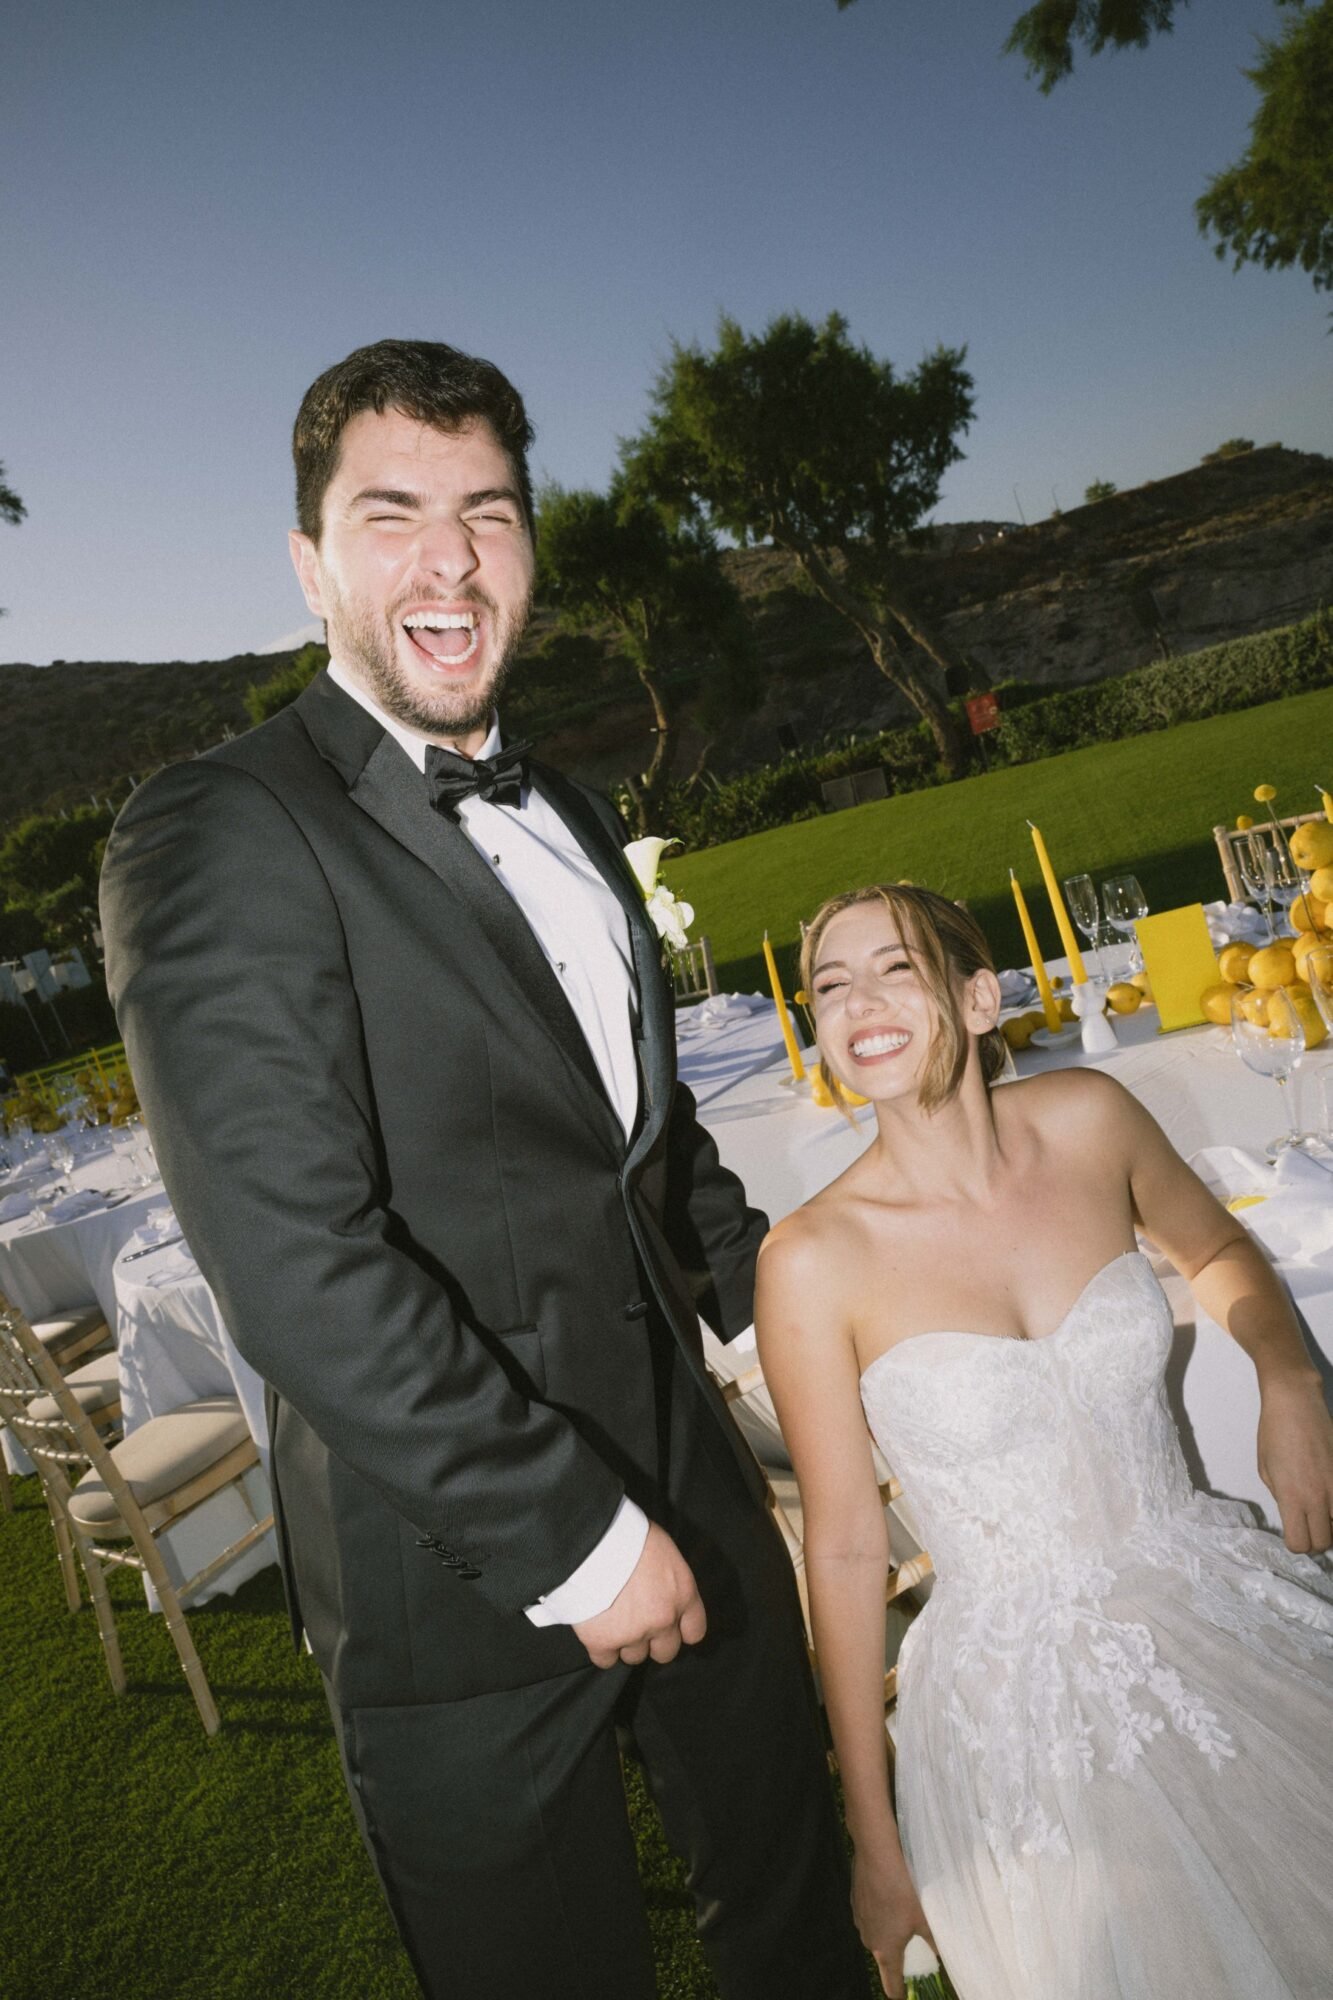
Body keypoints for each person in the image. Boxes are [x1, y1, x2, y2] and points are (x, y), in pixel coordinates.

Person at [98, 340, 866, 2000]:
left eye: (487, 513)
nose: (447, 558)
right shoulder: (215, 827)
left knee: (788, 1917)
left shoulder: (576, 808)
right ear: (310, 565)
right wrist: (579, 1542)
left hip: (699, 1490)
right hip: (450, 1579)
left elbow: (641, 1156)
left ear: (527, 550)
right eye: (392, 515)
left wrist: (807, 1334)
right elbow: (294, 1257)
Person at [756, 883, 1333, 2000]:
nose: (857, 1004)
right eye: (830, 985)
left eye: (894, 969)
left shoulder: (1088, 1117)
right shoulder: (811, 1257)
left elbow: (1214, 1248)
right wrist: (874, 1842)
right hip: (1021, 1712)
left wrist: (1286, 1372)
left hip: (1206, 1592)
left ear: (978, 997)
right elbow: (839, 1552)